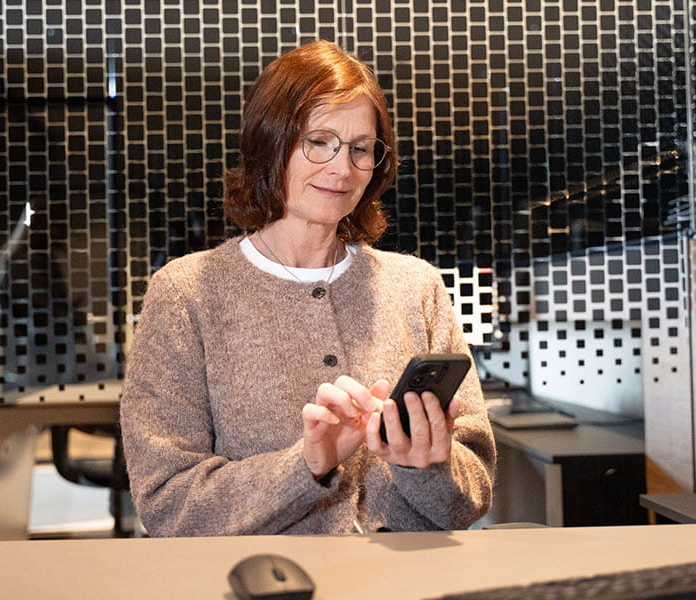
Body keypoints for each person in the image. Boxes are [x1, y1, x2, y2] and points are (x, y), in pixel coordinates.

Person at [120, 39, 496, 537]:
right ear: (270, 143)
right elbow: (169, 505)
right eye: (318, 141)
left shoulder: (417, 287)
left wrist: (425, 466)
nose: (342, 168)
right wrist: (306, 465)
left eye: (361, 149)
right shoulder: (187, 294)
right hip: (268, 581)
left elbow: (470, 497)